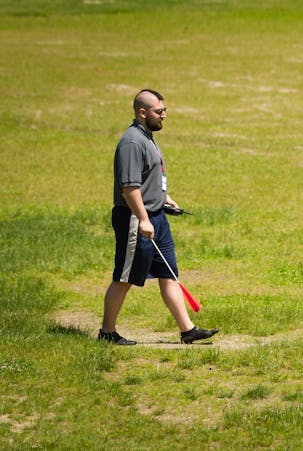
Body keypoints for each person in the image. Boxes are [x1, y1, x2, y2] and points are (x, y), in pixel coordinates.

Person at [99, 89, 218, 345]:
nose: (164, 115)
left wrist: (164, 198)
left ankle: (188, 330)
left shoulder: (147, 136)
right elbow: (129, 187)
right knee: (125, 277)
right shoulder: (132, 142)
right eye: (159, 111)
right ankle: (107, 332)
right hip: (136, 219)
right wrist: (143, 219)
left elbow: (148, 178)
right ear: (143, 113)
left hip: (157, 217)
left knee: (169, 274)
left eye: (164, 110)